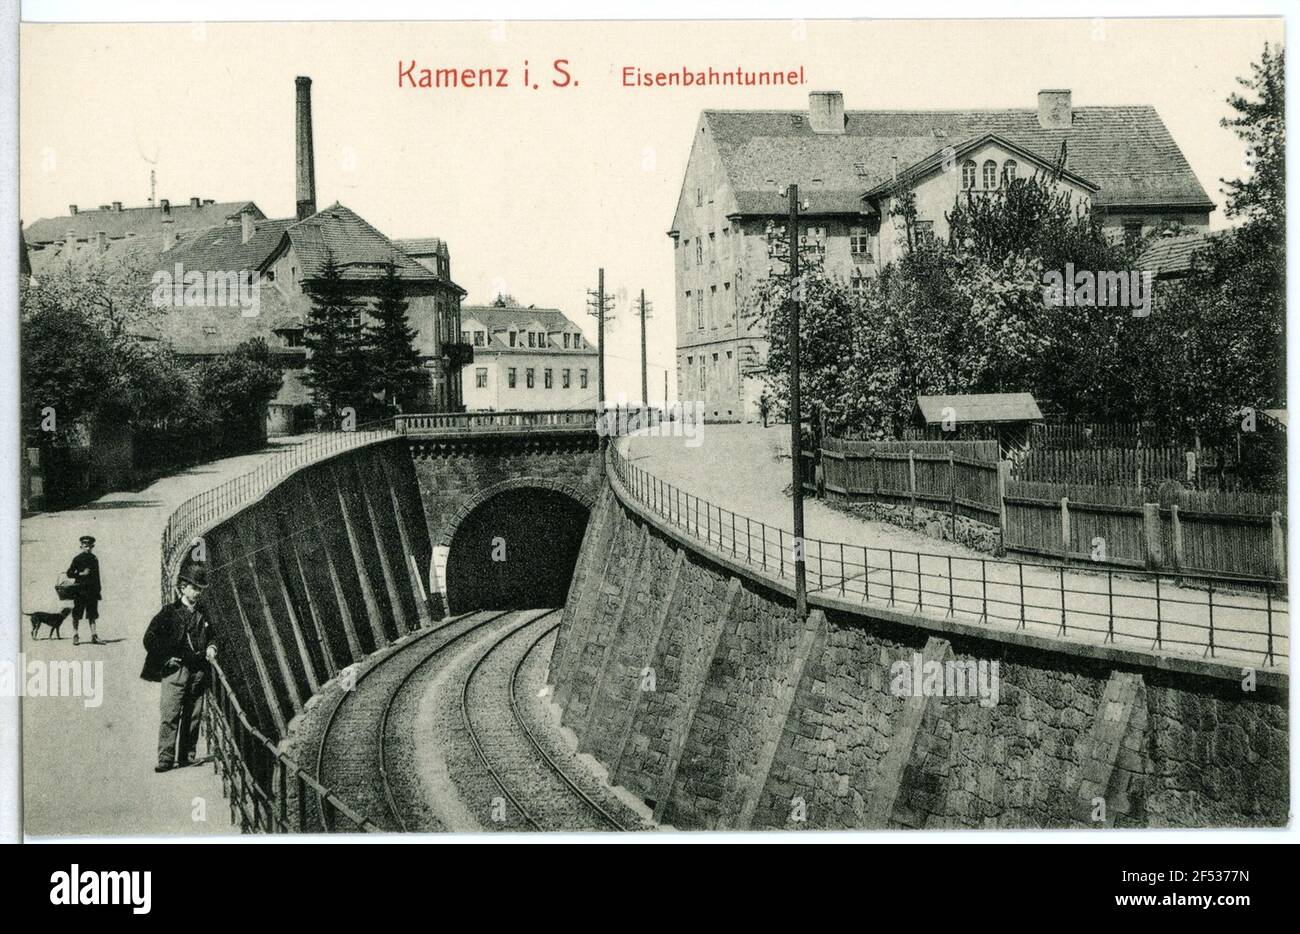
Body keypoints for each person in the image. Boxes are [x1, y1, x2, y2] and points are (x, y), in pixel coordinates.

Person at [141, 565, 217, 773]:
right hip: (177, 671)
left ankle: (187, 756)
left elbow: (215, 636)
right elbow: (149, 638)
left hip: (198, 671)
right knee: (170, 714)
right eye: (194, 588)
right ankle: (165, 759)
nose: (197, 593)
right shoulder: (169, 612)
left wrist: (211, 647)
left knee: (193, 715)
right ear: (183, 588)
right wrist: (166, 658)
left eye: (200, 589)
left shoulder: (204, 612)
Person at [65, 535, 102, 646]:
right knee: (77, 614)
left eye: (89, 545)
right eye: (85, 545)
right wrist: (81, 574)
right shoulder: (77, 559)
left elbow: (97, 576)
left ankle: (94, 636)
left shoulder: (94, 559)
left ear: (92, 546)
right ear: (81, 546)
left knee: (92, 614)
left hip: (92, 591)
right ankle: (75, 635)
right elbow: (69, 573)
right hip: (79, 591)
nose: (87, 547)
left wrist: (98, 590)